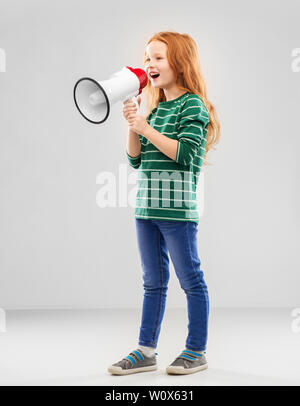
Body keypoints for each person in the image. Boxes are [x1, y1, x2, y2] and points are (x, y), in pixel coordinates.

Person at [108, 31, 220, 376]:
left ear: (180, 63)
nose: (149, 64)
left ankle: (196, 350)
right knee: (152, 282)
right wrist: (133, 123)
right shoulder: (155, 109)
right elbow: (136, 162)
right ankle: (146, 351)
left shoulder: (192, 105)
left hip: (176, 213)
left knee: (191, 280)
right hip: (146, 210)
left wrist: (144, 127)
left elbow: (188, 156)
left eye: (157, 58)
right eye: (147, 58)